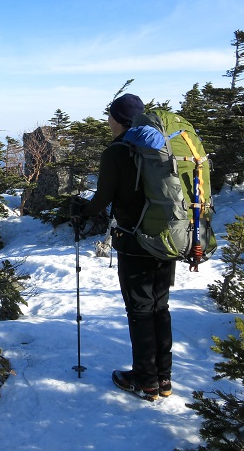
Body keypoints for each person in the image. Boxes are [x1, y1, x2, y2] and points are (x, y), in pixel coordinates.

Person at [73, 93, 174, 402]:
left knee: (140, 310)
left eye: (110, 117)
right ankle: (163, 378)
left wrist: (82, 209)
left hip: (134, 240)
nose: (108, 122)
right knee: (159, 306)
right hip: (167, 237)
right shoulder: (160, 145)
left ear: (117, 119)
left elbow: (102, 200)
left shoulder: (117, 151)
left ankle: (145, 381)